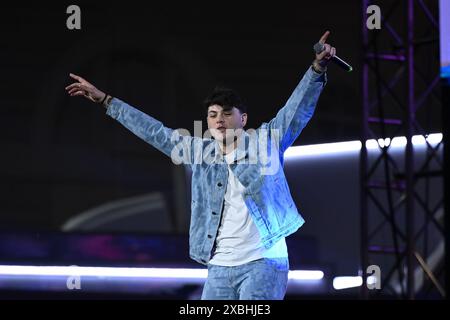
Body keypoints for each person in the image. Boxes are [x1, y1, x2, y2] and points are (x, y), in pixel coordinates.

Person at [65, 31, 336, 300]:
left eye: (227, 114)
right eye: (213, 115)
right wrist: (106, 100)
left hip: (263, 261)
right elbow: (156, 132)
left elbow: (296, 109)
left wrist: (317, 67)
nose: (219, 120)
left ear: (243, 119)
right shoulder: (199, 151)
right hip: (219, 266)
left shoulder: (265, 142)